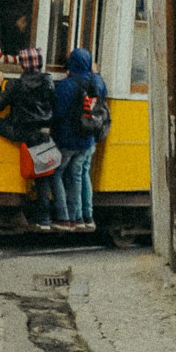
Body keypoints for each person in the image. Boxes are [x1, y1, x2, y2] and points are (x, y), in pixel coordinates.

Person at [0, 49, 59, 230]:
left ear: (23, 65)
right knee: (42, 175)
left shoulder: (16, 85)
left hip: (19, 131)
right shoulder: (49, 83)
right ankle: (45, 219)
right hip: (41, 133)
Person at [52, 45, 109, 230]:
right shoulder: (97, 83)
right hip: (88, 139)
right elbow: (101, 92)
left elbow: (58, 112)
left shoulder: (67, 85)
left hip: (68, 139)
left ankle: (65, 217)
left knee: (57, 173)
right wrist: (96, 71)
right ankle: (84, 217)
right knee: (79, 174)